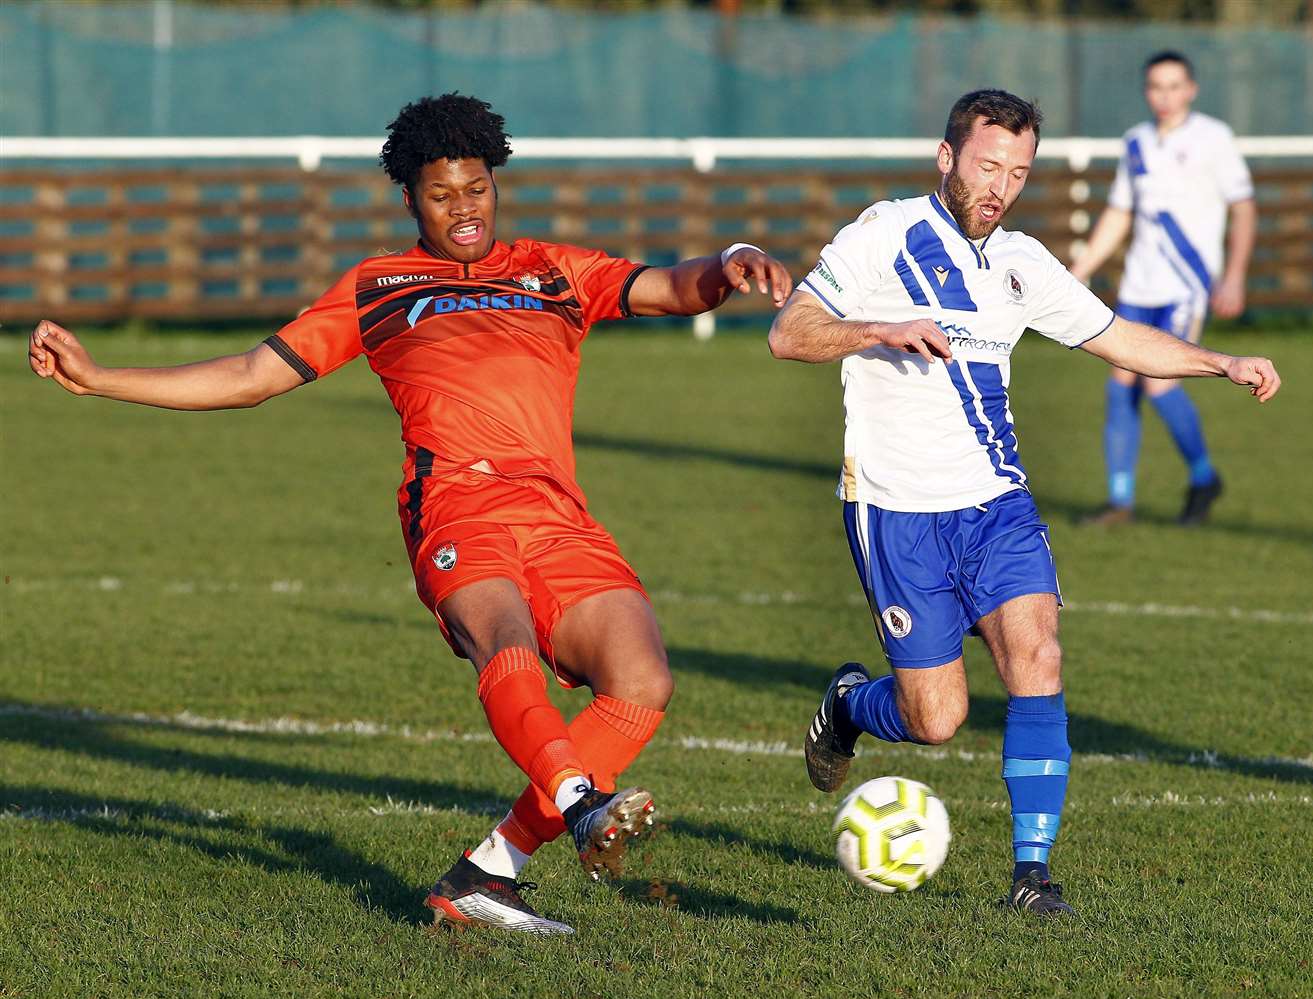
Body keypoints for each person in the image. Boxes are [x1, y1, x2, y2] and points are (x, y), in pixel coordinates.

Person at [28, 93, 791, 936]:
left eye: (475, 188)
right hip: (457, 505)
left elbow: (673, 287)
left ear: (494, 183)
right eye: (442, 194)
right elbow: (252, 375)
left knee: (643, 680)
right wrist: (102, 378)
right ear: (410, 199)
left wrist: (731, 260)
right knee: (505, 644)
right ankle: (581, 804)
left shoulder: (555, 271)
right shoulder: (377, 288)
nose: (463, 208)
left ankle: (486, 875)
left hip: (556, 512)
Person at [767, 88, 1279, 915]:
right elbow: (789, 333)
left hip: (996, 505)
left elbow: (1116, 335)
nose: (999, 186)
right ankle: (851, 706)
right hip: (897, 513)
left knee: (1037, 654)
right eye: (986, 166)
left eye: (1017, 171)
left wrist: (1220, 362)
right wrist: (876, 330)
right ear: (947, 159)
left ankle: (1031, 877)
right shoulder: (882, 235)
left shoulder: (1022, 262)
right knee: (936, 719)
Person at [1071, 51, 1257, 526]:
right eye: (1156, 87)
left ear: (1191, 90)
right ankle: (1120, 500)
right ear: (1146, 91)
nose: (1165, 96)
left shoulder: (1214, 138)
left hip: (1186, 286)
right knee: (1120, 386)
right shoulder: (1135, 144)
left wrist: (1234, 274)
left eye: (1175, 86)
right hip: (1139, 284)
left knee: (1157, 382)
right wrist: (1081, 268)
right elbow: (1119, 214)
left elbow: (1244, 207)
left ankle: (1202, 476)